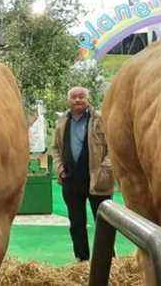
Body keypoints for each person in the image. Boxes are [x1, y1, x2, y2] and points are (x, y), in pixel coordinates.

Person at [51, 86, 115, 262]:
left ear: (88, 100)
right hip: (71, 180)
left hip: (97, 180)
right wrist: (60, 169)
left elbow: (113, 147)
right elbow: (55, 148)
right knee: (76, 224)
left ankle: (109, 262)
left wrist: (105, 169)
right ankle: (82, 260)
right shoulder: (62, 121)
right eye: (74, 97)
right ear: (68, 100)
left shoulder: (100, 119)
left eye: (81, 97)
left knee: (104, 224)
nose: (77, 100)